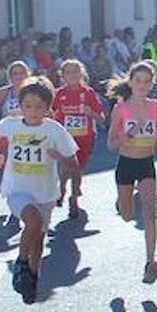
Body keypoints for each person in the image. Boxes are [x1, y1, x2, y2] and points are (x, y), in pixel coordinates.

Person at [0, 76, 79, 304]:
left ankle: (32, 277)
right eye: (27, 106)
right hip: (16, 189)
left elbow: (74, 164)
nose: (33, 111)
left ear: (48, 108)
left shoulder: (55, 130)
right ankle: (20, 262)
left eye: (39, 107)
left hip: (45, 192)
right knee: (33, 222)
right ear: (20, 105)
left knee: (38, 238)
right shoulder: (11, 124)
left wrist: (59, 157)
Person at [107, 61, 157, 281]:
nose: (142, 85)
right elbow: (111, 144)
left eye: (147, 82)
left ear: (152, 84)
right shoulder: (121, 108)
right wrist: (126, 136)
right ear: (130, 82)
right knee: (128, 217)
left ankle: (150, 260)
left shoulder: (156, 106)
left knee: (150, 214)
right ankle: (123, 204)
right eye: (137, 80)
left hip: (146, 163)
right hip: (126, 164)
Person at [51, 59, 106, 219]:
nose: (72, 75)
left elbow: (102, 118)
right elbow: (48, 113)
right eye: (68, 72)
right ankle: (62, 188)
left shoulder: (88, 93)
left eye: (76, 71)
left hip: (85, 138)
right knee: (66, 168)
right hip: (64, 137)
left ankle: (73, 198)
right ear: (63, 76)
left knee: (78, 169)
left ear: (82, 74)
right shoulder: (58, 94)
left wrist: (92, 113)